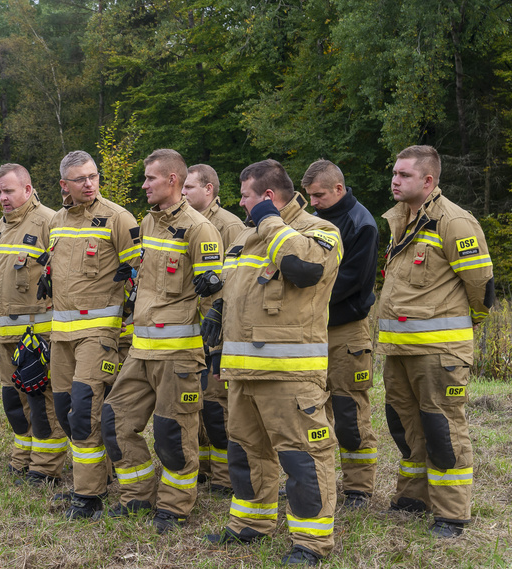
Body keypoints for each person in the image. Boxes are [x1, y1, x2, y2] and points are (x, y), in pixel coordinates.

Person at [203, 159, 341, 566]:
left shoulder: (319, 230)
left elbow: (304, 268)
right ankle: (251, 524)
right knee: (246, 453)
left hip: (290, 375)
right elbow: (238, 289)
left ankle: (311, 543)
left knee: (302, 457)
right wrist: (218, 311)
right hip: (242, 371)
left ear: (267, 197)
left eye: (246, 196)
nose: (241, 204)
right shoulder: (246, 237)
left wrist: (270, 221)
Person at [101, 149, 223, 534]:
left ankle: (174, 506)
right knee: (115, 419)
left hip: (180, 355)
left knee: (173, 434)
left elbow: (214, 297)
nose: (144, 185)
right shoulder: (147, 224)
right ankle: (137, 495)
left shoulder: (200, 228)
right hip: (142, 350)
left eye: (150, 178)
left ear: (172, 180)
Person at [376, 145, 494, 538]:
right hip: (398, 351)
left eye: (404, 175)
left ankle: (451, 514)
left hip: (438, 353)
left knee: (443, 430)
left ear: (428, 181)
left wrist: (463, 330)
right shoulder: (401, 220)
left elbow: (482, 288)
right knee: (406, 427)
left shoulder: (455, 221)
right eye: (394, 173)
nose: (395, 180)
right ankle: (413, 497)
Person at [44, 150, 142, 519]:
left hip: (99, 333)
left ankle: (88, 496)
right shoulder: (56, 220)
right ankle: (100, 474)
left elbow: (140, 275)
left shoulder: (117, 217)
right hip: (60, 334)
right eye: (80, 179)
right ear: (63, 185)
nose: (89, 184)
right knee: (65, 412)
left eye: (93, 176)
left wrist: (127, 333)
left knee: (85, 412)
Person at [302, 160, 379, 509]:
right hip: (310, 330)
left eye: (318, 195)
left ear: (338, 188)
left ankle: (359, 489)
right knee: (308, 410)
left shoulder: (362, 224)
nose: (313, 202)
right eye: (308, 196)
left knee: (349, 412)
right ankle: (314, 481)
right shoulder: (309, 221)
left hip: (346, 331)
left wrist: (303, 299)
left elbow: (350, 282)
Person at [0, 163, 68, 484]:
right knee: (13, 400)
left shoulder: (49, 222)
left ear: (28, 189)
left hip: (37, 335)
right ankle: (22, 456)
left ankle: (45, 466)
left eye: (9, 191)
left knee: (41, 399)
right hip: (3, 334)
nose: (4, 198)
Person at [181, 164, 245, 495]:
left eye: (189, 188)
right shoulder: (182, 224)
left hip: (219, 329)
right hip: (190, 329)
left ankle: (225, 477)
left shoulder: (230, 226)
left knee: (219, 406)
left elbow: (238, 279)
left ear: (208, 190)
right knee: (197, 403)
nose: (182, 193)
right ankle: (204, 468)